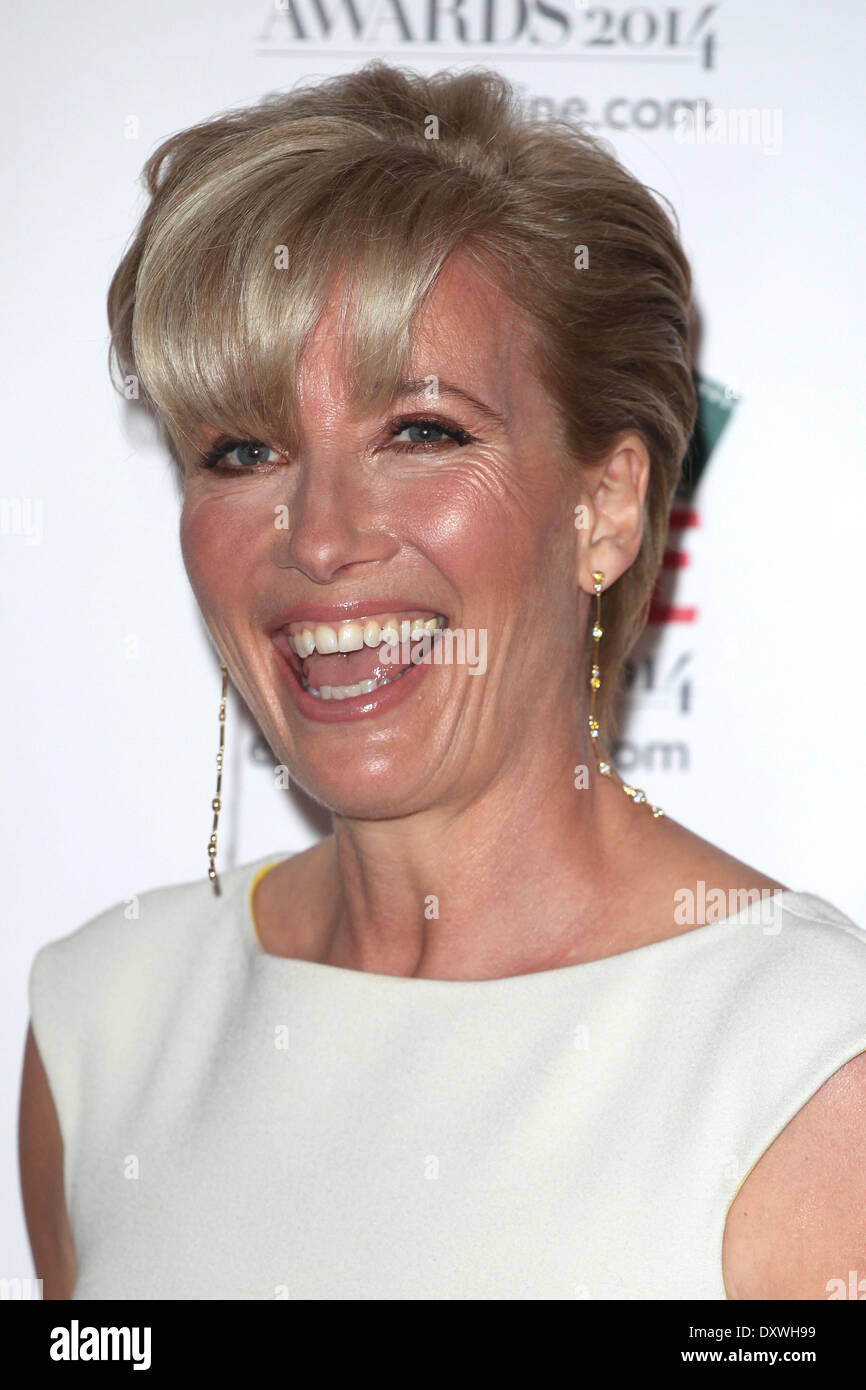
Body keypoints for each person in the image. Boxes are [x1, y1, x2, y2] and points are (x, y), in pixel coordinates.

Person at [19, 61, 866, 1301]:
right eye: (242, 448)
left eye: (421, 432)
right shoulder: (100, 1029)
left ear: (603, 507)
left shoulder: (805, 1070)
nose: (316, 536)